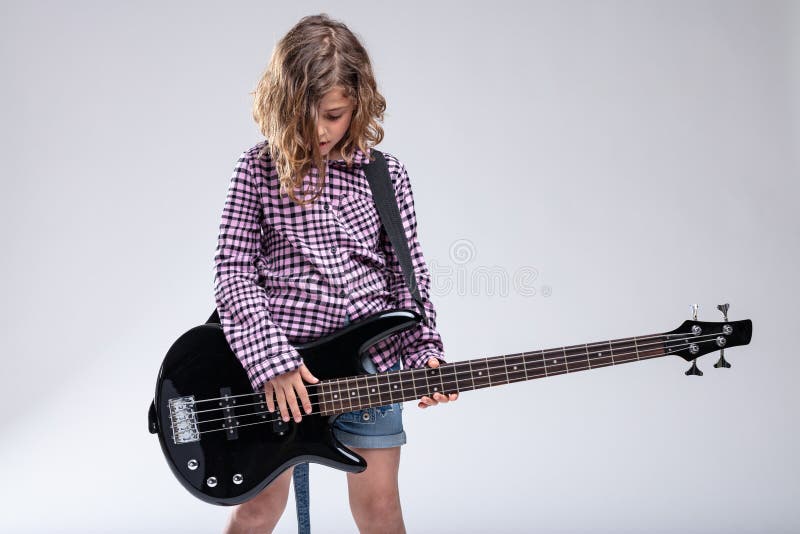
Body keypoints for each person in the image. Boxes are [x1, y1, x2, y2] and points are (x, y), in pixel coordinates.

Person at [212, 13, 458, 534]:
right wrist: (270, 361)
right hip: (280, 375)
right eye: (304, 116)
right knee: (257, 510)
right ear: (279, 107)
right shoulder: (256, 170)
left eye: (333, 114)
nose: (318, 131)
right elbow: (233, 274)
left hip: (369, 371)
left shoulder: (386, 177)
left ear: (357, 105)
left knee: (380, 509)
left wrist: (423, 352)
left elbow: (408, 279)